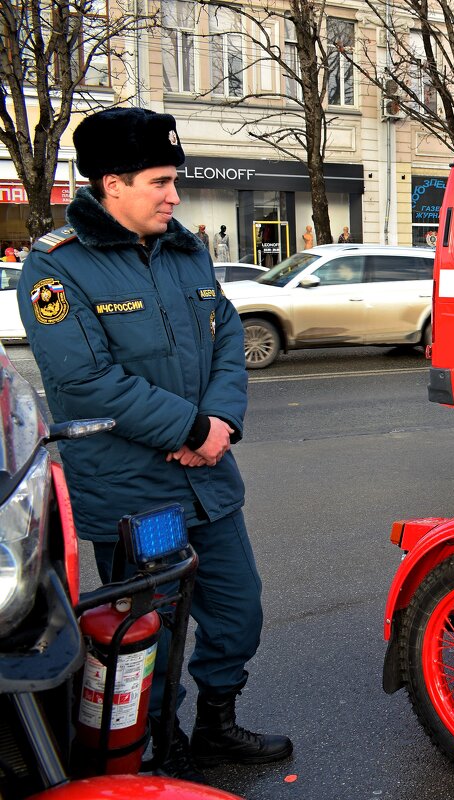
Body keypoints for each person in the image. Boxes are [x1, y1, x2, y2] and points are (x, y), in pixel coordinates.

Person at [17, 107, 292, 782]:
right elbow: (85, 381)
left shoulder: (184, 247)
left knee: (239, 610)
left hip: (209, 478)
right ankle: (156, 741)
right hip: (135, 491)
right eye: (161, 181)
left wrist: (220, 422)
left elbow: (227, 333)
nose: (174, 195)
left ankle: (216, 725)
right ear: (112, 183)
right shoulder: (56, 270)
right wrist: (190, 429)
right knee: (152, 630)